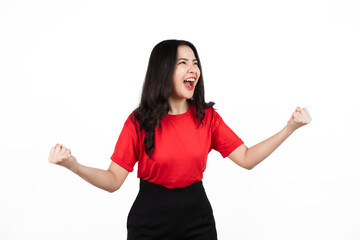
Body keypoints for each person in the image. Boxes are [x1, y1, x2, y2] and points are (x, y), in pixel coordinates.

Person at [48, 39, 311, 240]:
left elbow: (246, 158)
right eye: (183, 62)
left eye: (195, 63)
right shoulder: (138, 121)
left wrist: (289, 129)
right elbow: (113, 180)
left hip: (198, 217)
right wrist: (74, 165)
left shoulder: (206, 118)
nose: (193, 69)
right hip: (150, 220)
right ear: (163, 71)